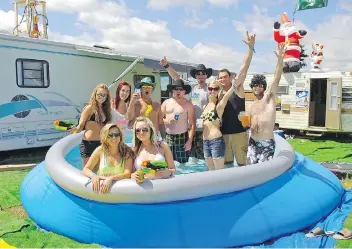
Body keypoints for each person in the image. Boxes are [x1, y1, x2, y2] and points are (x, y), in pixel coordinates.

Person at [160, 57, 211, 162]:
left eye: (203, 73)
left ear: (206, 75)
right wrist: (166, 66)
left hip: (204, 128)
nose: (201, 75)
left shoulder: (210, 89)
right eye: (198, 73)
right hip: (190, 129)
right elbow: (177, 77)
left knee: (205, 158)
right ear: (195, 76)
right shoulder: (192, 87)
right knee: (192, 159)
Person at [218, 31, 256, 167]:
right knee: (227, 166)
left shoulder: (237, 88)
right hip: (224, 135)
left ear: (230, 77)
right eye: (220, 77)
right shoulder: (218, 93)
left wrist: (250, 48)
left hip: (239, 134)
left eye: (225, 77)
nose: (222, 79)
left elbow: (244, 68)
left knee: (242, 165)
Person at [246, 43, 285, 165]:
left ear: (264, 87)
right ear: (252, 87)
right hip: (253, 141)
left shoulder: (269, 98)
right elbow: (246, 125)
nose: (257, 87)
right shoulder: (250, 106)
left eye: (260, 85)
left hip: (266, 141)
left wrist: (280, 59)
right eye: (255, 85)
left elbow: (276, 78)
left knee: (264, 171)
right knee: (251, 169)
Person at [82, 123, 135, 194]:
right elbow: (86, 169)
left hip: (121, 192)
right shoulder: (100, 150)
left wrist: (111, 178)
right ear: (105, 137)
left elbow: (127, 173)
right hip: (101, 193)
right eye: (110, 135)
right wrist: (93, 176)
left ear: (120, 136)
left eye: (116, 134)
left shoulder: (127, 152)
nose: (114, 138)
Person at [70, 84, 111, 166]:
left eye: (104, 95)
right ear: (95, 94)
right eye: (99, 94)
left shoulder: (106, 110)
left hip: (101, 143)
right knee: (87, 171)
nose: (101, 97)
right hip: (88, 144)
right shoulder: (89, 108)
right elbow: (80, 126)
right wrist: (75, 129)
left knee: (99, 170)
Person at [200, 79, 238, 170]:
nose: (212, 91)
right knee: (210, 171)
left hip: (216, 141)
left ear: (219, 90)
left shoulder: (219, 105)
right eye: (210, 88)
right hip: (205, 142)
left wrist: (234, 82)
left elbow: (229, 93)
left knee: (219, 172)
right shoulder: (205, 106)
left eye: (215, 89)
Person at [130, 117, 176, 181]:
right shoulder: (134, 149)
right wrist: (132, 175)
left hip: (161, 186)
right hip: (143, 187)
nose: (141, 132)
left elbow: (173, 170)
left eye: (145, 129)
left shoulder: (162, 146)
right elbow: (131, 172)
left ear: (151, 130)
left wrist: (169, 172)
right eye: (138, 130)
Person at [161, 79, 195, 163]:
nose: (178, 91)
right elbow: (159, 119)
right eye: (176, 89)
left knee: (183, 165)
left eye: (181, 89)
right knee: (168, 163)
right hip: (168, 137)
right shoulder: (166, 103)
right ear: (173, 90)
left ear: (184, 91)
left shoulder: (188, 105)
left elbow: (192, 125)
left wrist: (189, 141)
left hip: (182, 138)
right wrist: (168, 121)